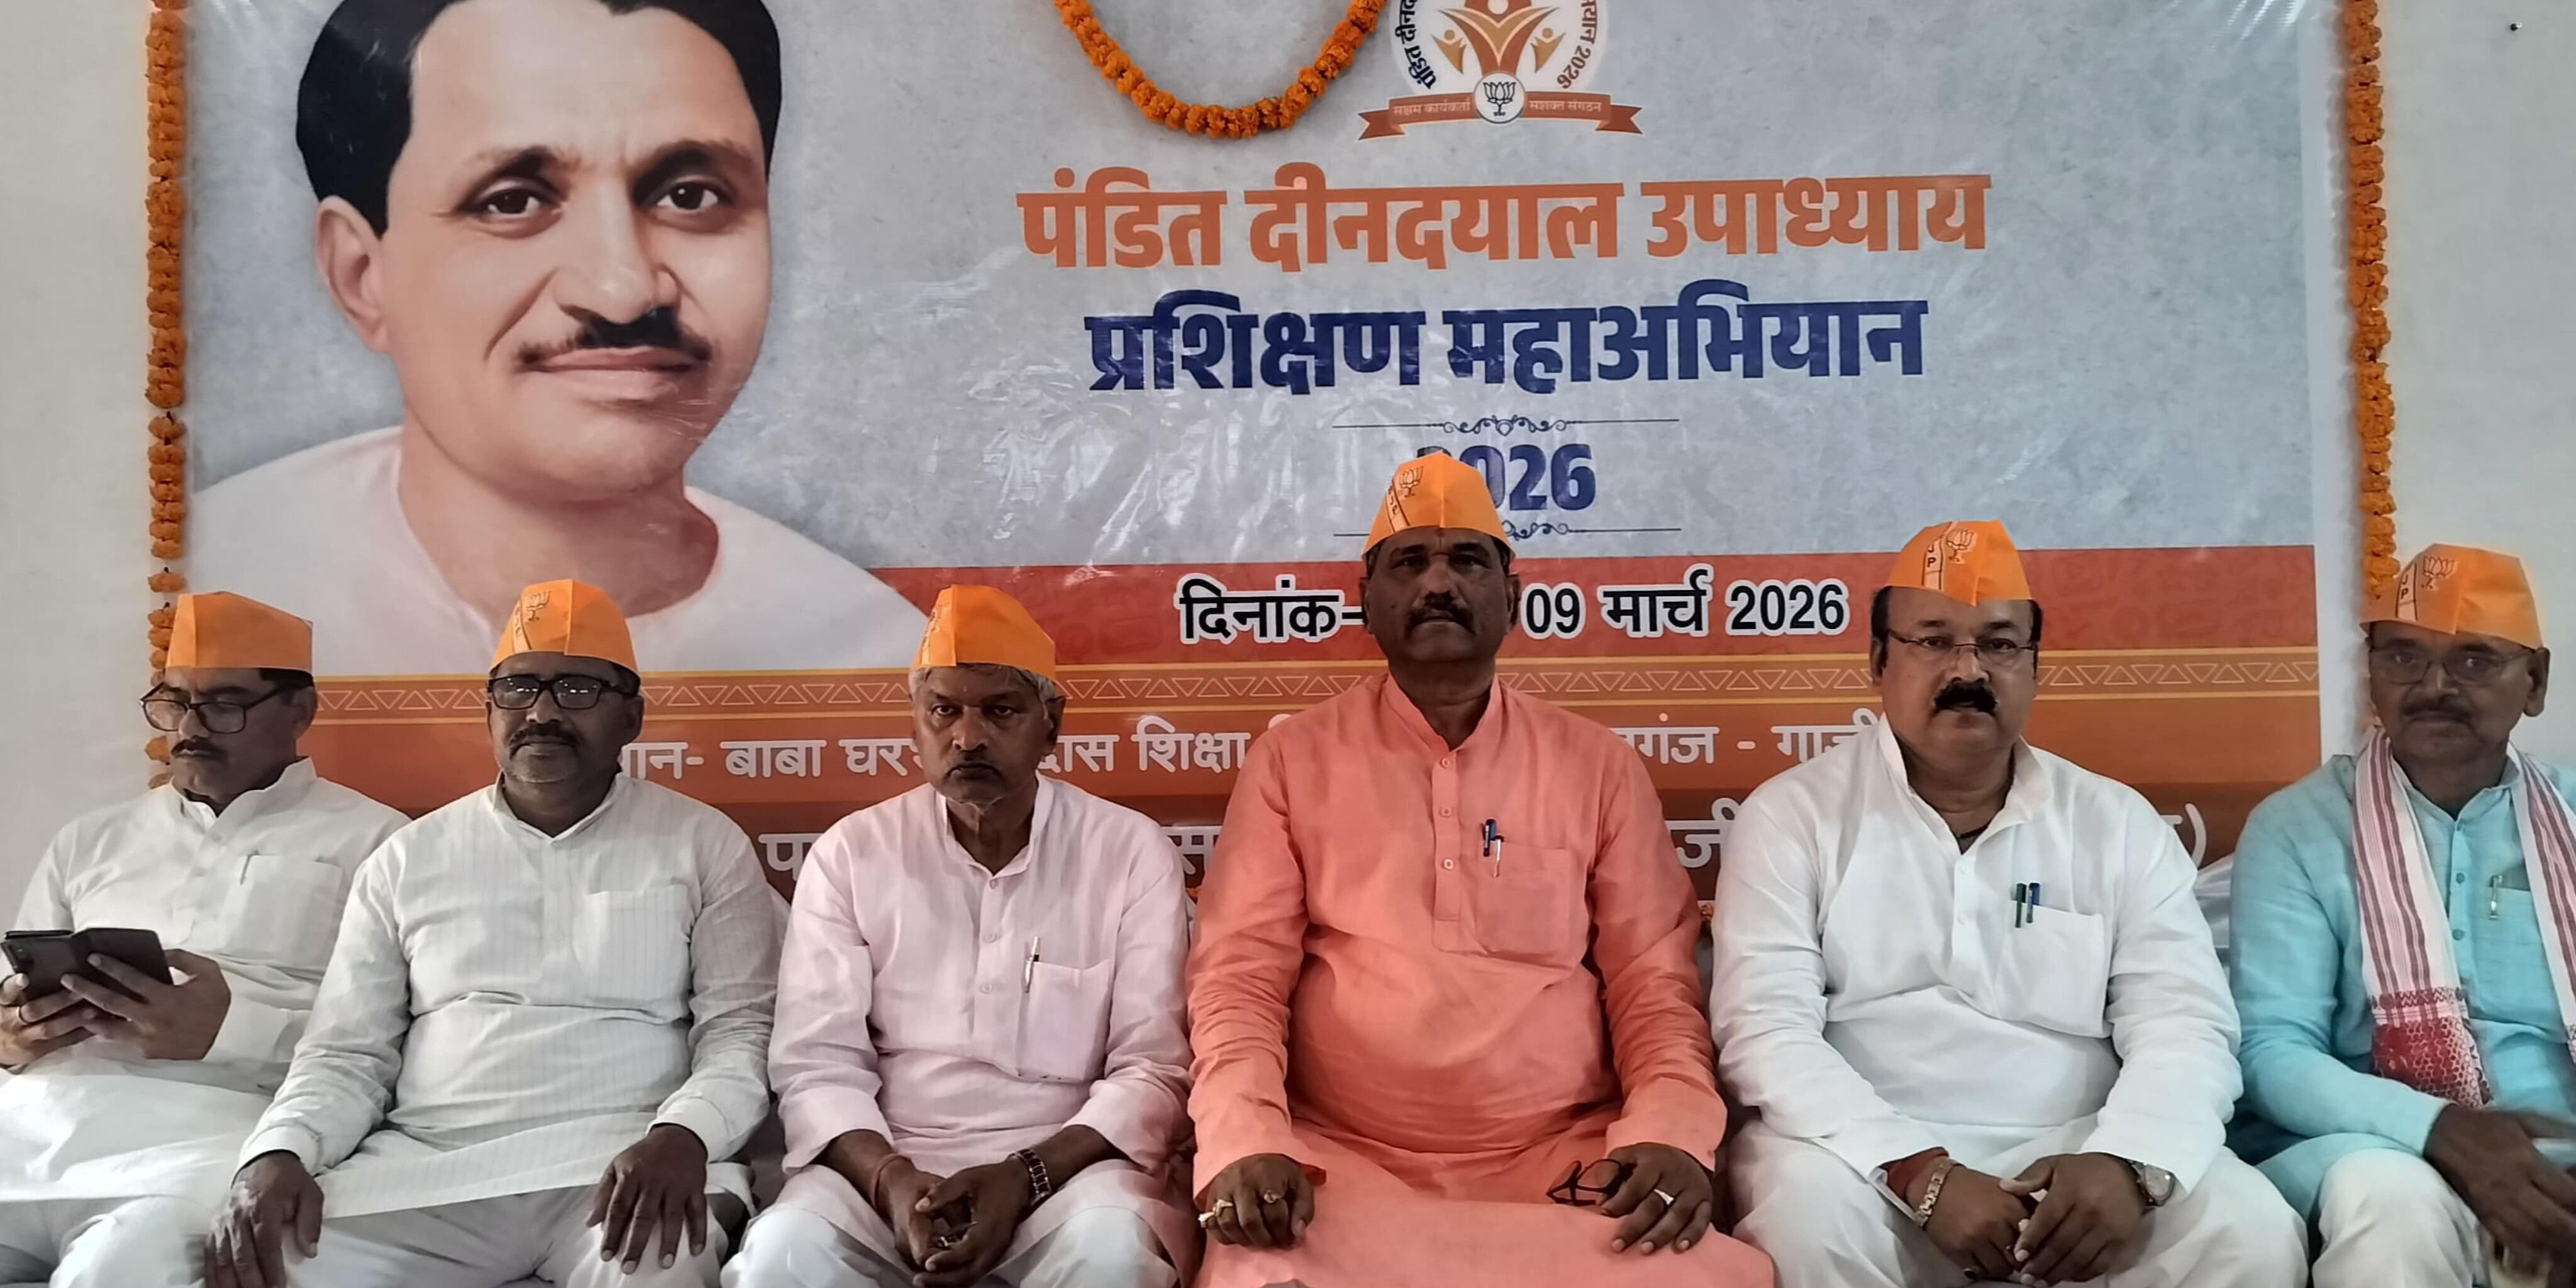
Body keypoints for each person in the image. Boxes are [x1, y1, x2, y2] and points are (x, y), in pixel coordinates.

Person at [190, 0, 923, 676]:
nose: (623, 290)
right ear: (361, 275)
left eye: (691, 196)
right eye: (511, 202)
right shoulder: (215, 584)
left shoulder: (884, 664)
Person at [1185, 452, 1773, 1288]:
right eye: (1409, 562)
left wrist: (1669, 1131)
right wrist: (1246, 1138)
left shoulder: (1597, 765)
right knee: (1263, 1268)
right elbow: (1239, 980)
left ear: (1512, 596)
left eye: (1466, 560)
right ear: (1367, 600)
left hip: (1556, 1156)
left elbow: (1653, 981)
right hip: (1344, 1161)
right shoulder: (1290, 760)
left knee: (1692, 1274)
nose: (1438, 583)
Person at [1711, 520, 2304, 1288]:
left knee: (2251, 1231)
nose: (1967, 669)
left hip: (2079, 1148)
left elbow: (2184, 1020)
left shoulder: (2114, 821)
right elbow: (1765, 1029)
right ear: (1878, 660)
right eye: (1932, 641)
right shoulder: (1794, 815)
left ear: (2033, 665)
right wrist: (1918, 1172)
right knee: (1807, 1224)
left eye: (1998, 644)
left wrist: (2127, 1162)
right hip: (1862, 1153)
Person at [206, 579, 779, 1288]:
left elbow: (740, 1030)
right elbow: (346, 1052)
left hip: (625, 1163)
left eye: (577, 690)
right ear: (489, 710)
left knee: (660, 1266)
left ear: (632, 716)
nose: (542, 712)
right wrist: (280, 1151)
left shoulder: (703, 843)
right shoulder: (408, 858)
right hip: (430, 1167)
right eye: (518, 689)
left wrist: (685, 1135)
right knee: (269, 1266)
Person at [727, 584, 1196, 1288]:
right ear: (917, 722)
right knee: (781, 1257)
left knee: (1112, 1255)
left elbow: (1152, 1067)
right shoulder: (851, 853)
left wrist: (1026, 1175)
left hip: (1071, 1167)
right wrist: (892, 1182)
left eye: (1000, 710)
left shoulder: (1128, 851)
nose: (968, 738)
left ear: (1051, 725)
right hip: (887, 1163)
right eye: (944, 710)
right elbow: (817, 1065)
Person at [0, 594, 406, 1288]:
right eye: (173, 703)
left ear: (300, 710)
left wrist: (230, 1030)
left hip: (206, 1136)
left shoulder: (380, 842)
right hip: (33, 1123)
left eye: (224, 704)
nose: (189, 728)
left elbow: (392, 1044)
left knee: (114, 1271)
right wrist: (14, 1034)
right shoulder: (90, 839)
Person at [2232, 543, 2573, 1288]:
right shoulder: (2298, 828)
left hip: (2563, 1162)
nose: (2433, 686)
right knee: (2388, 1199)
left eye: (2475, 659)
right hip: (2378, 1149)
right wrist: (2437, 1128)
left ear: (2536, 681)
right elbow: (2270, 1050)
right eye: (2402, 657)